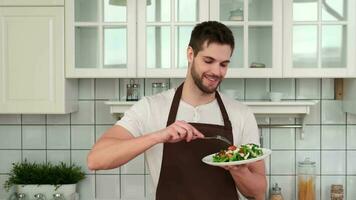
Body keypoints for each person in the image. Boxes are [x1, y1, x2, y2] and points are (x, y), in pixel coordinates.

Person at [87, 21, 267, 200]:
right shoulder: (151, 108)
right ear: (190, 54)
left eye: (223, 64)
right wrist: (158, 136)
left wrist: (239, 170)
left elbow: (258, 191)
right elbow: (96, 159)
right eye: (208, 61)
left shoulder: (241, 114)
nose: (216, 71)